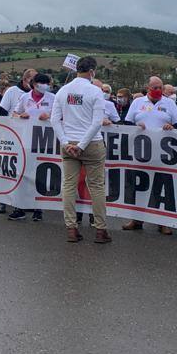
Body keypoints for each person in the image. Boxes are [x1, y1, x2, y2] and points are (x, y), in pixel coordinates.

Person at [51, 57, 110, 243]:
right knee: (96, 187)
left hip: (69, 142)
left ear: (77, 69)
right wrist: (82, 145)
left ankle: (71, 228)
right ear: (92, 71)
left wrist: (67, 143)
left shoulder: (63, 90)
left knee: (68, 186)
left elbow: (54, 120)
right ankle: (100, 230)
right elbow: (97, 122)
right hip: (91, 143)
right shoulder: (95, 91)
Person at [122, 76, 177, 233]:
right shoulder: (137, 102)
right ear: (147, 88)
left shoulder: (169, 103)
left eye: (160, 87)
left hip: (163, 154)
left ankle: (163, 222)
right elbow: (127, 123)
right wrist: (136, 125)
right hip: (140, 153)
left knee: (162, 187)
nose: (158, 91)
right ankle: (136, 219)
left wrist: (171, 126)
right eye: (154, 87)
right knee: (139, 186)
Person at [8, 73, 55, 222]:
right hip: (26, 141)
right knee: (22, 174)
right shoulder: (24, 97)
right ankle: (20, 207)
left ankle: (38, 208)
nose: (45, 86)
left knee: (40, 175)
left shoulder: (52, 98)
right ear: (34, 84)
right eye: (42, 83)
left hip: (44, 142)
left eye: (47, 84)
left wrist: (49, 116)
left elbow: (61, 116)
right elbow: (14, 114)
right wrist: (20, 116)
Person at [0, 69, 36, 214]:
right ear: (26, 80)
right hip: (11, 137)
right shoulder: (12, 91)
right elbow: (2, 114)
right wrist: (2, 134)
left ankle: (24, 201)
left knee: (26, 172)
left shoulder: (37, 95)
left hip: (30, 139)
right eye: (34, 81)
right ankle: (3, 202)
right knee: (8, 171)